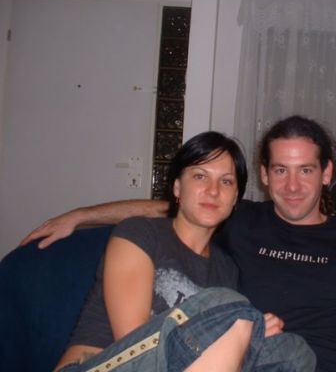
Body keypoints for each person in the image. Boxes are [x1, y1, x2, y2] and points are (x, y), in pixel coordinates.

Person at [23, 116, 336, 372]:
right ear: (265, 176)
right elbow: (170, 208)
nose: (292, 185)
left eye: (305, 170)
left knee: (290, 349)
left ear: (326, 173)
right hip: (130, 361)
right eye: (280, 170)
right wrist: (81, 216)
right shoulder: (237, 224)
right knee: (233, 311)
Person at [50, 131, 316, 372]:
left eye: (226, 182)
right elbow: (135, 341)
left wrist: (248, 336)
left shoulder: (227, 268)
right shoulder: (140, 234)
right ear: (178, 188)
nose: (213, 191)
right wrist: (235, 323)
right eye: (200, 176)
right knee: (228, 306)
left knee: (294, 353)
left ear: (235, 198)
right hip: (100, 365)